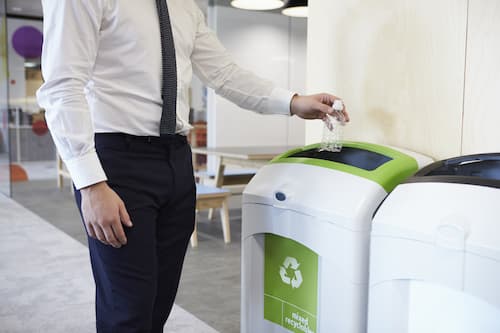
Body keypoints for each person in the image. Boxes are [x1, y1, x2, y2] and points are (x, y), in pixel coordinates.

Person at [37, 0, 349, 332]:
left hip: (176, 159)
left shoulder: (183, 5)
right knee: (128, 309)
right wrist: (91, 184)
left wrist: (293, 101)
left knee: (158, 302)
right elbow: (63, 86)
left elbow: (224, 73)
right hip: (118, 163)